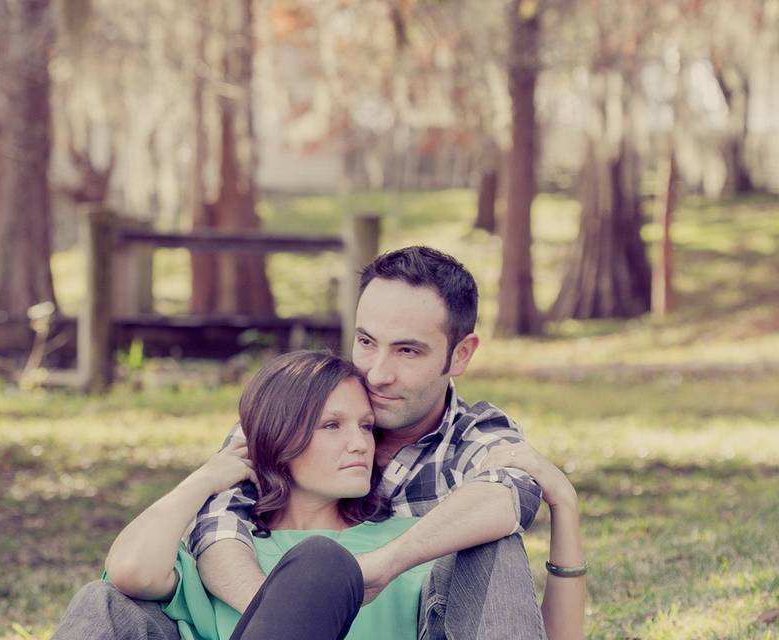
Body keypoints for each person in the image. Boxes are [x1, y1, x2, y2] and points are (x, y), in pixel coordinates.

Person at [54, 246, 587, 638]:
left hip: (406, 598)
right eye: (366, 342)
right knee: (104, 604)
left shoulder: (478, 438)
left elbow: (505, 497)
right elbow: (210, 536)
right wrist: (300, 608)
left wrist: (373, 570)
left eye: (408, 351)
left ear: (461, 355)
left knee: (488, 543)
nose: (377, 373)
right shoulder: (285, 418)